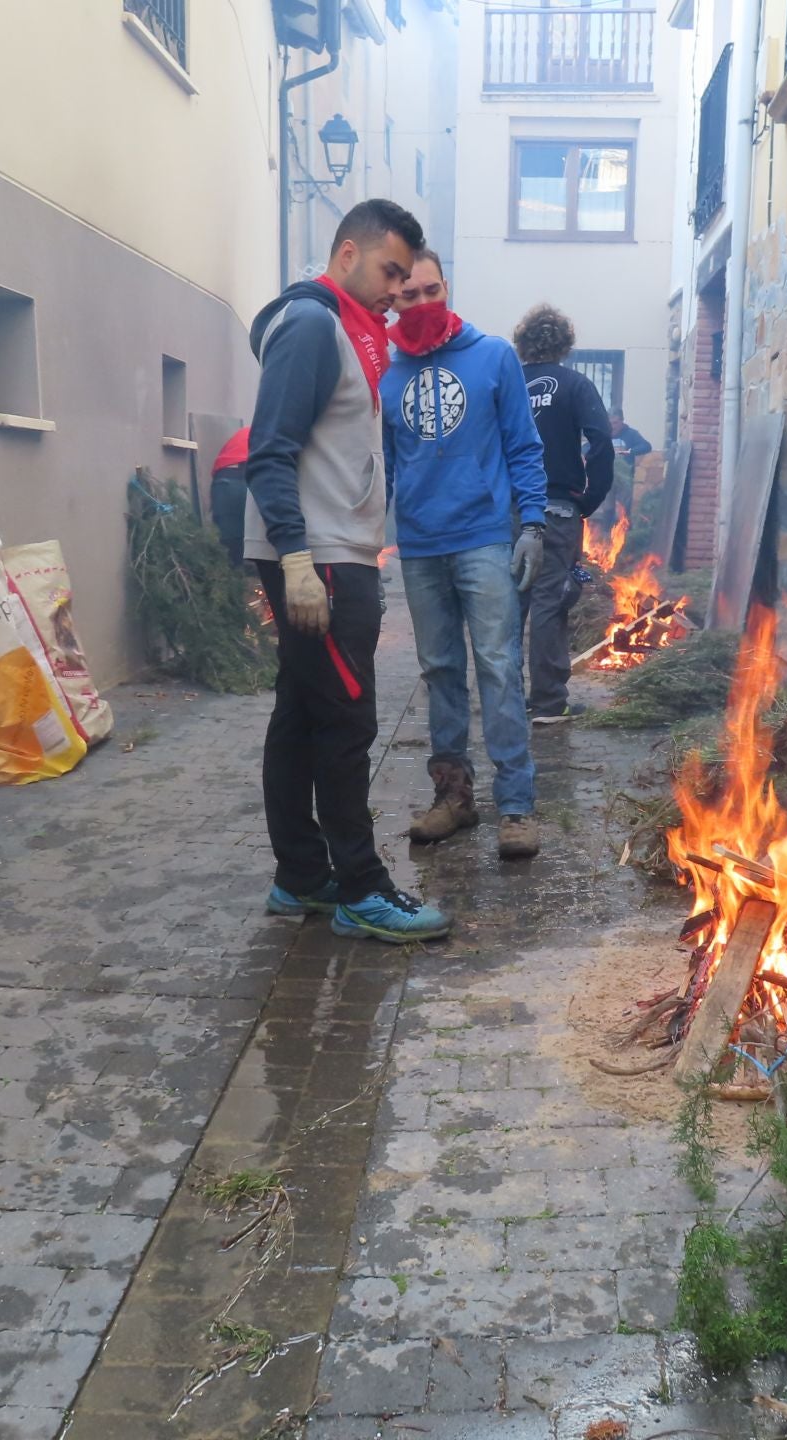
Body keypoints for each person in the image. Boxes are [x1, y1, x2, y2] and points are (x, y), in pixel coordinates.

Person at [242, 200, 451, 942]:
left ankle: (299, 875)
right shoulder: (311, 325)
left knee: (301, 714)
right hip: (319, 557)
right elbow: (268, 449)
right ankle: (362, 887)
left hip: (334, 549)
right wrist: (296, 560)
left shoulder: (357, 335)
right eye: (391, 272)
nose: (398, 290)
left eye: (406, 276)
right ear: (346, 254)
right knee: (346, 717)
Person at [382, 251, 548, 859]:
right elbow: (385, 465)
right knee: (440, 672)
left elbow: (524, 447)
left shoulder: (493, 356)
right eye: (408, 296)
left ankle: (517, 807)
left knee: (501, 668)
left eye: (432, 290)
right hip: (421, 545)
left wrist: (532, 523)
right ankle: (453, 798)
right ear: (393, 300)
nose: (422, 303)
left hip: (483, 537)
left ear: (446, 287)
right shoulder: (387, 372)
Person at [514, 304, 615, 724]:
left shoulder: (508, 383)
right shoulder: (575, 385)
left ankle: (503, 696)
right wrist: (588, 500)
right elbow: (602, 442)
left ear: (523, 342)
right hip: (556, 510)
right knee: (549, 602)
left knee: (507, 606)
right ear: (564, 344)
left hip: (507, 511)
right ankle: (549, 703)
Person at [208, 426, 249, 563]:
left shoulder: (246, 431)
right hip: (249, 479)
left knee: (227, 540)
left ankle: (226, 576)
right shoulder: (279, 434)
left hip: (223, 481)